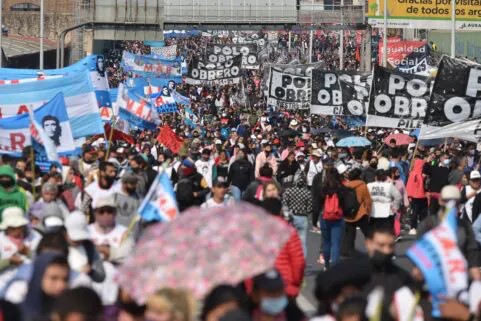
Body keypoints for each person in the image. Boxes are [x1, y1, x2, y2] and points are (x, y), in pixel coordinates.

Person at [417, 185, 481, 280]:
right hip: (434, 276)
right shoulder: (427, 225)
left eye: (454, 201)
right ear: (440, 201)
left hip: (458, 276)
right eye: (446, 201)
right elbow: (419, 252)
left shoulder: (465, 226)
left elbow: (472, 255)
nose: (450, 204)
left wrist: (476, 280)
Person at [363, 226, 414, 321]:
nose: (386, 250)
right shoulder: (353, 274)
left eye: (390, 246)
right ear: (368, 243)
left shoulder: (403, 277)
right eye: (381, 245)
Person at [261, 198, 305, 298]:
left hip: (263, 285)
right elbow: (298, 261)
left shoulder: (258, 232)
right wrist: (295, 283)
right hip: (285, 284)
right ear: (280, 211)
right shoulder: (289, 231)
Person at [0, 207, 42, 290]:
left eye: (18, 226)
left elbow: (45, 261)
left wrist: (29, 252)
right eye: (11, 227)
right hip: (4, 286)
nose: (15, 230)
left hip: (30, 285)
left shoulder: (36, 237)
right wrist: (8, 261)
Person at [20, 253, 70, 321]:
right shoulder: (16, 314)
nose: (61, 285)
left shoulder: (70, 313)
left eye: (65, 279)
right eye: (54, 278)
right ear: (39, 277)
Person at [314, 167, 345, 269]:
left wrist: (314, 219)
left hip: (325, 216)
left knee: (326, 241)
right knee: (336, 243)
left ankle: (326, 264)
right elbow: (347, 203)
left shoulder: (323, 188)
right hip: (338, 216)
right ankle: (335, 266)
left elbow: (317, 204)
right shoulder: (341, 188)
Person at [342, 168, 372, 257]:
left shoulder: (346, 185)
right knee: (367, 232)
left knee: (350, 234)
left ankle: (349, 251)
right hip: (361, 212)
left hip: (348, 213)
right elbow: (368, 200)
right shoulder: (362, 185)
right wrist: (368, 211)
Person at [282, 171, 312, 257]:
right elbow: (310, 208)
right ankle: (302, 264)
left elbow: (284, 204)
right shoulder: (307, 193)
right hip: (303, 218)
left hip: (291, 217)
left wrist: (286, 215)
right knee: (302, 243)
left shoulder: (288, 191)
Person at [406, 156, 427, 234]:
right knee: (416, 212)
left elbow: (409, 186)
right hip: (417, 196)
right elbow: (411, 185)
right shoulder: (417, 174)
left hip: (417, 196)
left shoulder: (413, 173)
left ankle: (416, 227)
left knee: (419, 212)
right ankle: (413, 227)